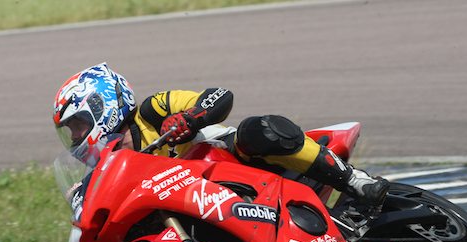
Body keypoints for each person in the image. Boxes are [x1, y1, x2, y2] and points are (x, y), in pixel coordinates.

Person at [53, 63, 389, 206]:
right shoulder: (108, 168)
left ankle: (353, 180)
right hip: (199, 203)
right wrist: (82, 197)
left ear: (102, 105)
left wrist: (190, 118)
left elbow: (219, 96)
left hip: (233, 164)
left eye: (78, 124)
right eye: (70, 131)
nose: (76, 136)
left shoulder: (153, 110)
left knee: (258, 130)